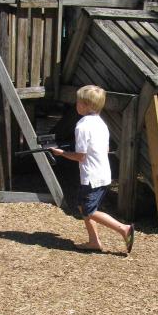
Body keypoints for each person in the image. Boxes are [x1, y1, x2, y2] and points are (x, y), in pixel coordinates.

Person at [52, 85, 135, 254]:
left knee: (88, 210)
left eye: (78, 102)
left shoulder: (81, 126)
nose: (76, 104)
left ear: (85, 105)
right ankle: (94, 241)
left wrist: (62, 153)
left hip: (91, 176)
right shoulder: (101, 123)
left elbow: (80, 156)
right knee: (84, 207)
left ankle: (124, 229)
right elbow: (103, 149)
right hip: (103, 173)